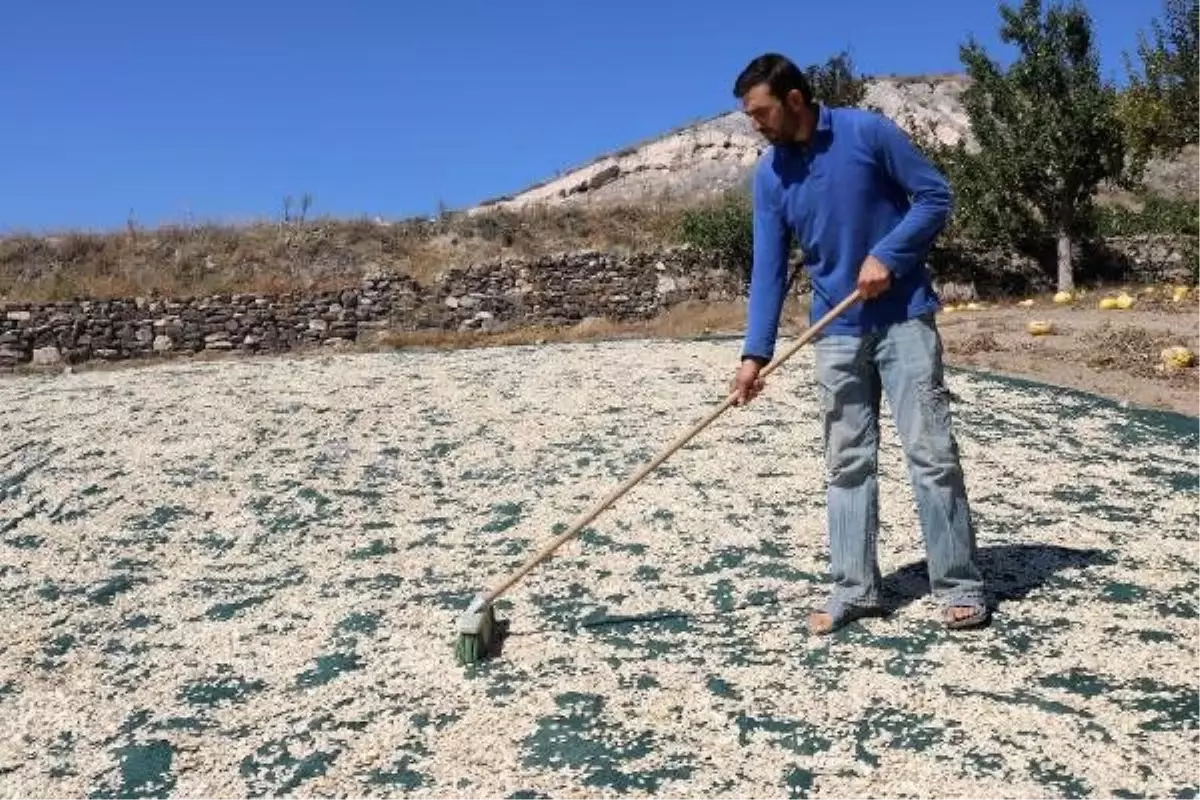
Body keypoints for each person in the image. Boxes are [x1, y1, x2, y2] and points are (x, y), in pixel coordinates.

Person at [728, 53, 989, 634]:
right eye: (750, 116)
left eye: (762, 112)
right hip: (835, 333)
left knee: (932, 454)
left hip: (905, 322)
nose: (756, 125)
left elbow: (934, 196)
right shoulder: (770, 176)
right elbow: (768, 268)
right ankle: (856, 589)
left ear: (795, 100)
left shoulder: (866, 132)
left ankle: (960, 585)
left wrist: (889, 257)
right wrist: (754, 354)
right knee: (846, 463)